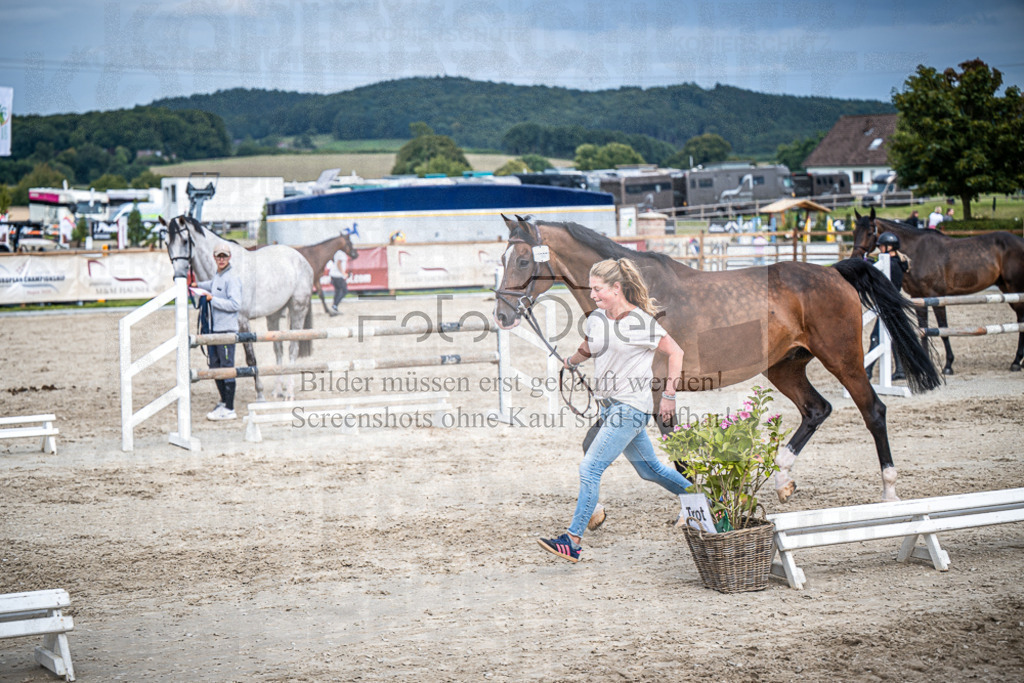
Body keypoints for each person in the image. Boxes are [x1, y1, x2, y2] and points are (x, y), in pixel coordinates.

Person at [537, 258, 692, 563]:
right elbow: (589, 346)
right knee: (651, 470)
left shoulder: (641, 322)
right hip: (610, 408)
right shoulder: (596, 318)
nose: (593, 295)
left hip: (631, 407)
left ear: (616, 288)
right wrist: (571, 361)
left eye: (598, 289)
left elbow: (676, 352)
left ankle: (572, 540)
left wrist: (669, 396)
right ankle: (705, 499)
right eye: (591, 289)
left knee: (590, 467)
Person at [194, 244, 242, 420]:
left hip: (227, 330)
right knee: (214, 366)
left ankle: (230, 408)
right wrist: (196, 285)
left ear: (229, 257)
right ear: (215, 258)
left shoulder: (232, 278)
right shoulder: (218, 275)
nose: (221, 259)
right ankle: (223, 401)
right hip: (215, 330)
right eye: (218, 256)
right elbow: (212, 285)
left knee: (227, 367)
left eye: (224, 256)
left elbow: (236, 304)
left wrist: (213, 300)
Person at [866, 232, 910, 381]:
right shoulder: (898, 261)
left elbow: (877, 276)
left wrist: (867, 264)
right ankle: (901, 369)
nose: (880, 250)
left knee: (876, 337)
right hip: (894, 304)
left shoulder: (891, 264)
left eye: (882, 246)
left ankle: (867, 370)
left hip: (889, 305)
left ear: (890, 247)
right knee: (894, 336)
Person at [327, 247, 349, 314]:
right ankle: (335, 306)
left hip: (333, 274)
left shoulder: (337, 252)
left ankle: (334, 306)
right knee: (344, 290)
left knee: (338, 291)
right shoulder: (341, 253)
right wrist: (343, 273)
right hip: (337, 275)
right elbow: (339, 263)